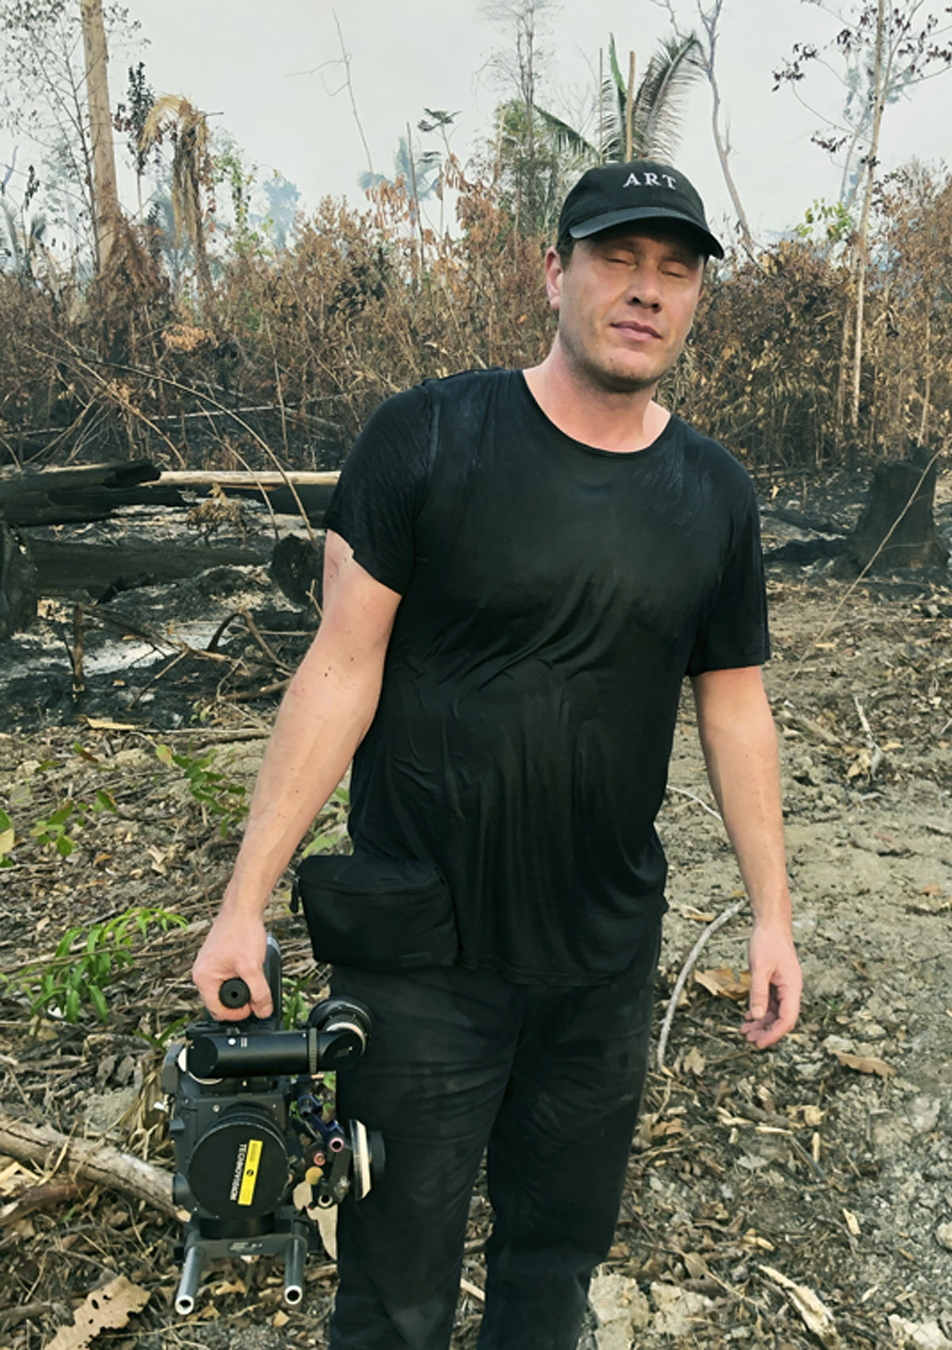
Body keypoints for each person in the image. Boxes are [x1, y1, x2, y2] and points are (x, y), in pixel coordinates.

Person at [192, 158, 802, 1350]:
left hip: (600, 958)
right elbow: (336, 672)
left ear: (693, 301)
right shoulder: (426, 439)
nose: (645, 291)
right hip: (424, 956)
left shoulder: (713, 495)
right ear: (552, 272)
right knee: (396, 1290)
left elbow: (735, 711)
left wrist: (771, 913)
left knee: (552, 1269)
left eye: (674, 273)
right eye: (617, 260)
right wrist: (241, 901)